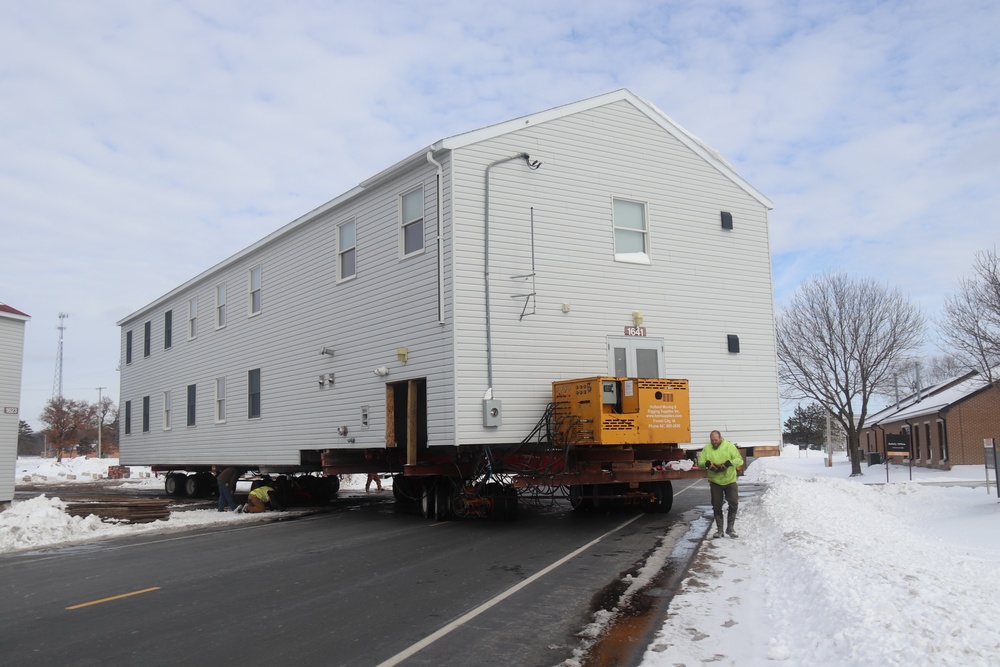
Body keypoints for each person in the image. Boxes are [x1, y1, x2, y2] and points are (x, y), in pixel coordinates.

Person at [698, 430, 744, 538]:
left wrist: (729, 463)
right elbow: (700, 463)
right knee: (716, 505)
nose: (714, 442)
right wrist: (707, 464)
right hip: (715, 482)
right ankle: (719, 530)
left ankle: (730, 528)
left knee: (733, 503)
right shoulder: (707, 449)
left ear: (720, 438)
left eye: (716, 440)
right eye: (712, 440)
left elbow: (739, 460)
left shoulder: (729, 446)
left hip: (729, 480)